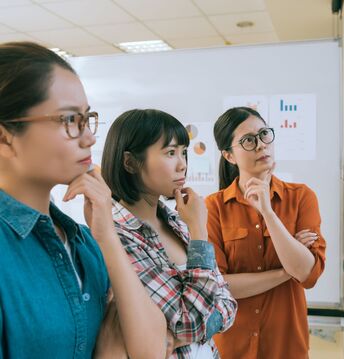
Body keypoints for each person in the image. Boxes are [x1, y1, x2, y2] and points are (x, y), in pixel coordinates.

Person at [0, 42, 167, 359]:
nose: (89, 137)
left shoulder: (85, 241)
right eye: (68, 120)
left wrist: (106, 235)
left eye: (87, 118)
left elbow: (151, 350)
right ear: (5, 135)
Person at [101, 109, 237, 358]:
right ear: (130, 162)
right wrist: (198, 232)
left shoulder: (177, 221)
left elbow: (228, 304)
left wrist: (186, 331)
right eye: (170, 153)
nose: (182, 164)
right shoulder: (117, 237)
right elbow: (190, 321)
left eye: (184, 152)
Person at [205, 107, 327, 359]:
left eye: (264, 134)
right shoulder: (213, 207)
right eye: (248, 140)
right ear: (229, 155)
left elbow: (308, 274)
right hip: (231, 348)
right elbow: (219, 285)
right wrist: (286, 270)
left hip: (286, 346)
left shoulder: (301, 197)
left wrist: (269, 214)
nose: (261, 145)